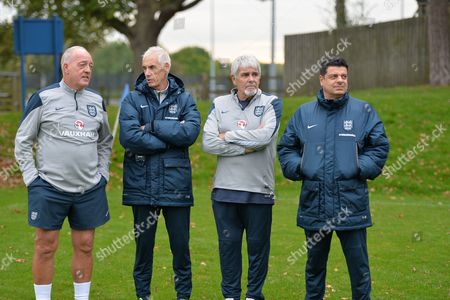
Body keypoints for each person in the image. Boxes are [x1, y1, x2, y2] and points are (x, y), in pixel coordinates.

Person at [278, 57, 389, 299]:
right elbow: (286, 148)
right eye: (334, 76)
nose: (340, 80)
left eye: (344, 76)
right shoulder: (304, 113)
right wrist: (302, 167)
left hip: (352, 206)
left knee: (359, 270)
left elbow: (379, 147)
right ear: (322, 79)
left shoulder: (363, 111)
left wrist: (359, 166)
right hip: (314, 206)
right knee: (314, 269)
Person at [14, 46, 113, 300]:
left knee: (85, 246)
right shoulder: (43, 98)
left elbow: (105, 142)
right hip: (48, 187)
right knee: (45, 247)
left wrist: (103, 174)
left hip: (89, 189)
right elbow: (23, 140)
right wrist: (31, 178)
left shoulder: (96, 101)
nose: (88, 69)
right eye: (82, 64)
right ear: (65, 67)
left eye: (90, 64)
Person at [119, 46, 200, 300]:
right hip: (141, 187)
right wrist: (169, 140)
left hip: (176, 187)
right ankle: (143, 296)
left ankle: (183, 296)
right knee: (143, 250)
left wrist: (152, 126)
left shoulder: (185, 99)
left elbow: (190, 133)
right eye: (144, 68)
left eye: (152, 67)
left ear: (166, 67)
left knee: (180, 249)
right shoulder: (132, 99)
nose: (147, 73)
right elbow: (129, 137)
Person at [202, 55, 282, 300]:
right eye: (245, 75)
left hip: (259, 190)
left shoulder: (272, 103)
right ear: (234, 78)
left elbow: (265, 137)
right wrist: (245, 144)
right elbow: (208, 142)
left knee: (258, 249)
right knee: (228, 248)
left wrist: (228, 135)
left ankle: (253, 295)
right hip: (225, 191)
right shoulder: (218, 103)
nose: (251, 79)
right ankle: (230, 296)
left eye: (255, 74)